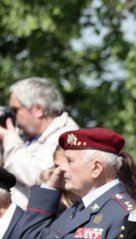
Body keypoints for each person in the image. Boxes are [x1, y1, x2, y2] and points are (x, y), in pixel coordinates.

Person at [2, 77, 80, 207]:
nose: (12, 116)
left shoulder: (67, 136)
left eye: (15, 110)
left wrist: (9, 139)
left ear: (38, 109)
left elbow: (39, 176)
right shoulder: (27, 135)